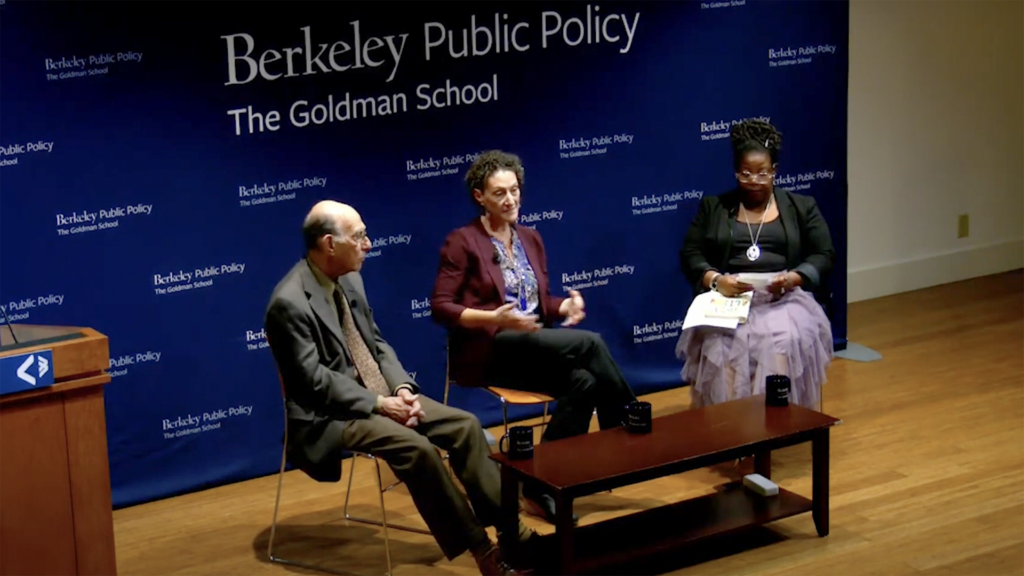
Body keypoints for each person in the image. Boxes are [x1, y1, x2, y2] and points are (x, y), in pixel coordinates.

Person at [264, 200, 536, 576]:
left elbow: (375, 344)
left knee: (466, 427)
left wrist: (402, 388)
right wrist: (378, 403)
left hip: (382, 394)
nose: (368, 243)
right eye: (358, 236)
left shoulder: (350, 279)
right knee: (417, 449)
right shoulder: (288, 304)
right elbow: (313, 383)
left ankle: (512, 532)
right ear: (329, 244)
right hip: (329, 414)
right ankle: (483, 551)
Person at [431, 150, 638, 523]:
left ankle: (540, 485)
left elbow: (540, 303)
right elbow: (441, 307)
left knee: (585, 382)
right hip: (491, 349)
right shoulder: (462, 241)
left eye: (514, 191)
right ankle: (627, 432)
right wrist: (492, 318)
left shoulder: (531, 238)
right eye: (499, 194)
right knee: (591, 344)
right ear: (480, 196)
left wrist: (563, 309)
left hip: (531, 347)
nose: (510, 200)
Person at [676, 119, 835, 410]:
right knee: (719, 343)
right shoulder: (714, 207)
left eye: (762, 173)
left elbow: (824, 254)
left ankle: (772, 421)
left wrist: (795, 277)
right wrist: (715, 280)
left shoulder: (801, 207)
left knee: (783, 337)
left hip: (782, 299)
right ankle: (732, 424)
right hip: (729, 299)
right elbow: (691, 253)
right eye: (745, 173)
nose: (754, 180)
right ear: (736, 171)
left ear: (774, 170)